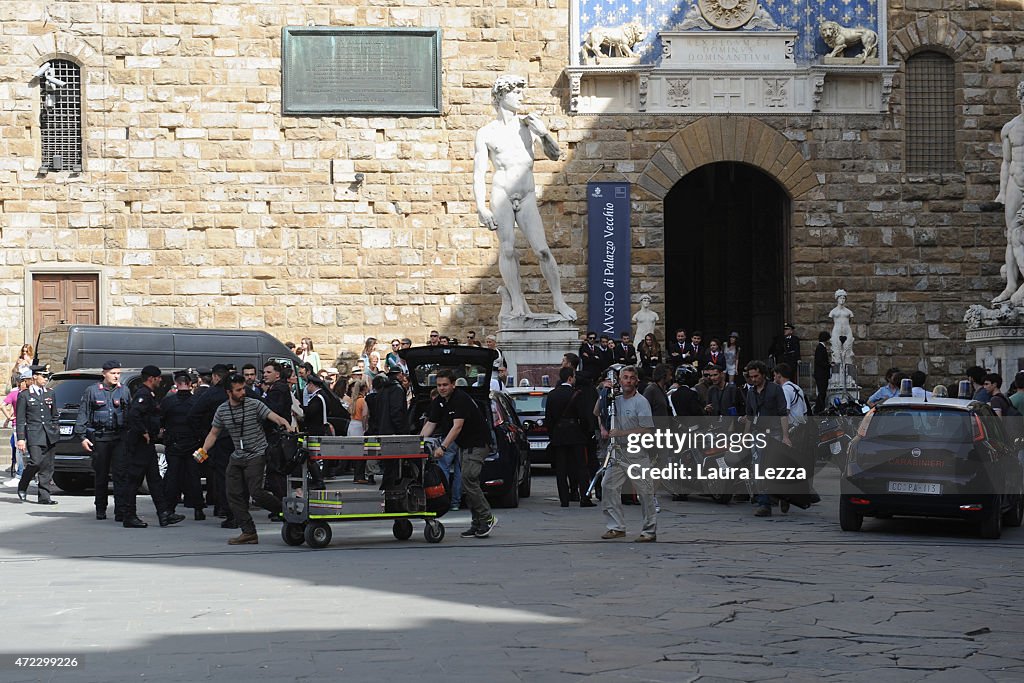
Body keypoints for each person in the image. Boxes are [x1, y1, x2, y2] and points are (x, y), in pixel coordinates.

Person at [473, 74, 576, 321]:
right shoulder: (486, 133)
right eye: (516, 92)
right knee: (507, 249)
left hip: (527, 195)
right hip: (502, 194)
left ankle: (558, 300)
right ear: (500, 96)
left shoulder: (529, 125)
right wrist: (480, 208)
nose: (522, 96)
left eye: (521, 92)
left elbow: (554, 155)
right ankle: (517, 302)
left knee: (542, 250)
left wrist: (545, 133)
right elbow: (479, 173)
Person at [196, 374, 295, 545]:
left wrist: (286, 424)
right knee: (232, 494)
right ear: (229, 392)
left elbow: (274, 416)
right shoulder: (223, 410)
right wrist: (203, 451)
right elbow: (213, 434)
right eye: (239, 390)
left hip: (257, 453)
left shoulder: (253, 404)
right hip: (238, 455)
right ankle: (249, 532)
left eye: (243, 389)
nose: (243, 392)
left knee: (256, 492)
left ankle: (284, 511)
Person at [420, 368, 497, 539]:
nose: (442, 388)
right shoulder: (440, 401)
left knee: (469, 479)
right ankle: (477, 523)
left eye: (445, 385)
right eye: (439, 385)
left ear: (453, 384)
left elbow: (457, 427)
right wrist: (416, 443)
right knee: (466, 483)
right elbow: (430, 424)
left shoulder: (460, 399)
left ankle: (486, 517)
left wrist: (443, 448)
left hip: (477, 444)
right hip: (464, 445)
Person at [596, 365, 657, 542]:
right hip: (617, 452)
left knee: (645, 492)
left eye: (631, 378)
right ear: (620, 380)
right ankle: (616, 527)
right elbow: (596, 412)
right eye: (625, 377)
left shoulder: (641, 402)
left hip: (636, 452)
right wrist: (602, 392)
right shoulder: (615, 398)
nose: (628, 381)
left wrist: (622, 433)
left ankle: (649, 530)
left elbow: (647, 429)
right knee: (608, 486)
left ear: (636, 381)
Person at [121, 365, 184, 529]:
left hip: (147, 446)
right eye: (158, 378)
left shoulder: (149, 394)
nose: (160, 380)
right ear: (151, 378)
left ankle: (164, 514)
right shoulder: (143, 394)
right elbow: (134, 415)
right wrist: (144, 432)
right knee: (133, 481)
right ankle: (129, 515)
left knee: (155, 480)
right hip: (140, 445)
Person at [75, 360, 132, 522]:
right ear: (104, 374)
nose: (116, 376)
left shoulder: (124, 391)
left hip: (119, 438)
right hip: (100, 438)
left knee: (120, 475)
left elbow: (130, 414)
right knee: (100, 475)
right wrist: (82, 437)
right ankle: (101, 508)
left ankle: (120, 510)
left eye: (118, 373)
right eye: (113, 373)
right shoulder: (92, 391)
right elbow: (83, 414)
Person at [742, 360, 791, 517]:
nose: (754, 379)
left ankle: (783, 495)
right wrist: (745, 435)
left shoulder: (775, 390)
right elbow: (749, 416)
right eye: (751, 377)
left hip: (774, 433)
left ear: (763, 374)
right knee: (758, 468)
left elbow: (783, 413)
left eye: (756, 376)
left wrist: (785, 436)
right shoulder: (750, 392)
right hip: (758, 434)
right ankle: (765, 504)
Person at [188, 364, 233, 525]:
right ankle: (227, 507)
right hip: (233, 440)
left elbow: (193, 414)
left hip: (215, 440)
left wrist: (202, 433)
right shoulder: (235, 393)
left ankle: (221, 506)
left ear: (215, 377)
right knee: (233, 475)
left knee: (218, 474)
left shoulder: (210, 394)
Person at [545, 367, 595, 507]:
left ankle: (564, 499)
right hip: (576, 434)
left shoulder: (552, 395)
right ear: (570, 378)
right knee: (581, 467)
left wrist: (552, 435)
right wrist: (585, 433)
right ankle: (584, 497)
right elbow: (584, 417)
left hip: (559, 435)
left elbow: (548, 418)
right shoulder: (577, 394)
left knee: (561, 469)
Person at [993, 81, 1024, 304]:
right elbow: (1006, 162)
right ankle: (1011, 285)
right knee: (1011, 234)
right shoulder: (1010, 128)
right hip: (1015, 181)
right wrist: (1002, 192)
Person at [161, 371, 205, 521]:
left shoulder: (168, 402)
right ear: (190, 384)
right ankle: (198, 509)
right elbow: (202, 424)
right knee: (194, 477)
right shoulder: (197, 402)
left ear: (176, 384)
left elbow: (161, 421)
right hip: (193, 445)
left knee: (173, 477)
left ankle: (169, 508)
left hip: (173, 445)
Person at [14, 365, 59, 505]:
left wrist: (56, 428)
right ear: (35, 377)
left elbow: (54, 415)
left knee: (47, 465)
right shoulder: (24, 395)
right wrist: (21, 438)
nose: (46, 379)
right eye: (43, 376)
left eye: (47, 376)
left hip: (49, 434)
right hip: (34, 434)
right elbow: (20, 418)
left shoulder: (50, 393)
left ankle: (44, 496)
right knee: (36, 462)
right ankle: (23, 485)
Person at [3, 367, 31, 486]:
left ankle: (21, 475)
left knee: (21, 452)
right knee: (23, 451)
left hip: (20, 424)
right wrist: (9, 418)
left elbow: (3, 405)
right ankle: (23, 475)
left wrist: (8, 417)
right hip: (25, 424)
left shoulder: (16, 394)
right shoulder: (18, 394)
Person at [829, 289, 854, 365]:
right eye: (840, 298)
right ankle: (837, 376)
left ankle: (848, 376)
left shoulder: (849, 312)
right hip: (837, 332)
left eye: (843, 298)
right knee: (837, 355)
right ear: (837, 299)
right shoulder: (833, 312)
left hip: (847, 332)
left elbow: (850, 322)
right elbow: (831, 324)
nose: (842, 300)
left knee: (848, 355)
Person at [813, 331, 830, 414]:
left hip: (822, 374)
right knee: (822, 392)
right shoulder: (820, 348)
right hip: (821, 375)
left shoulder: (821, 347)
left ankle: (819, 408)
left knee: (822, 392)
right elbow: (820, 361)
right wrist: (829, 365)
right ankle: (819, 408)